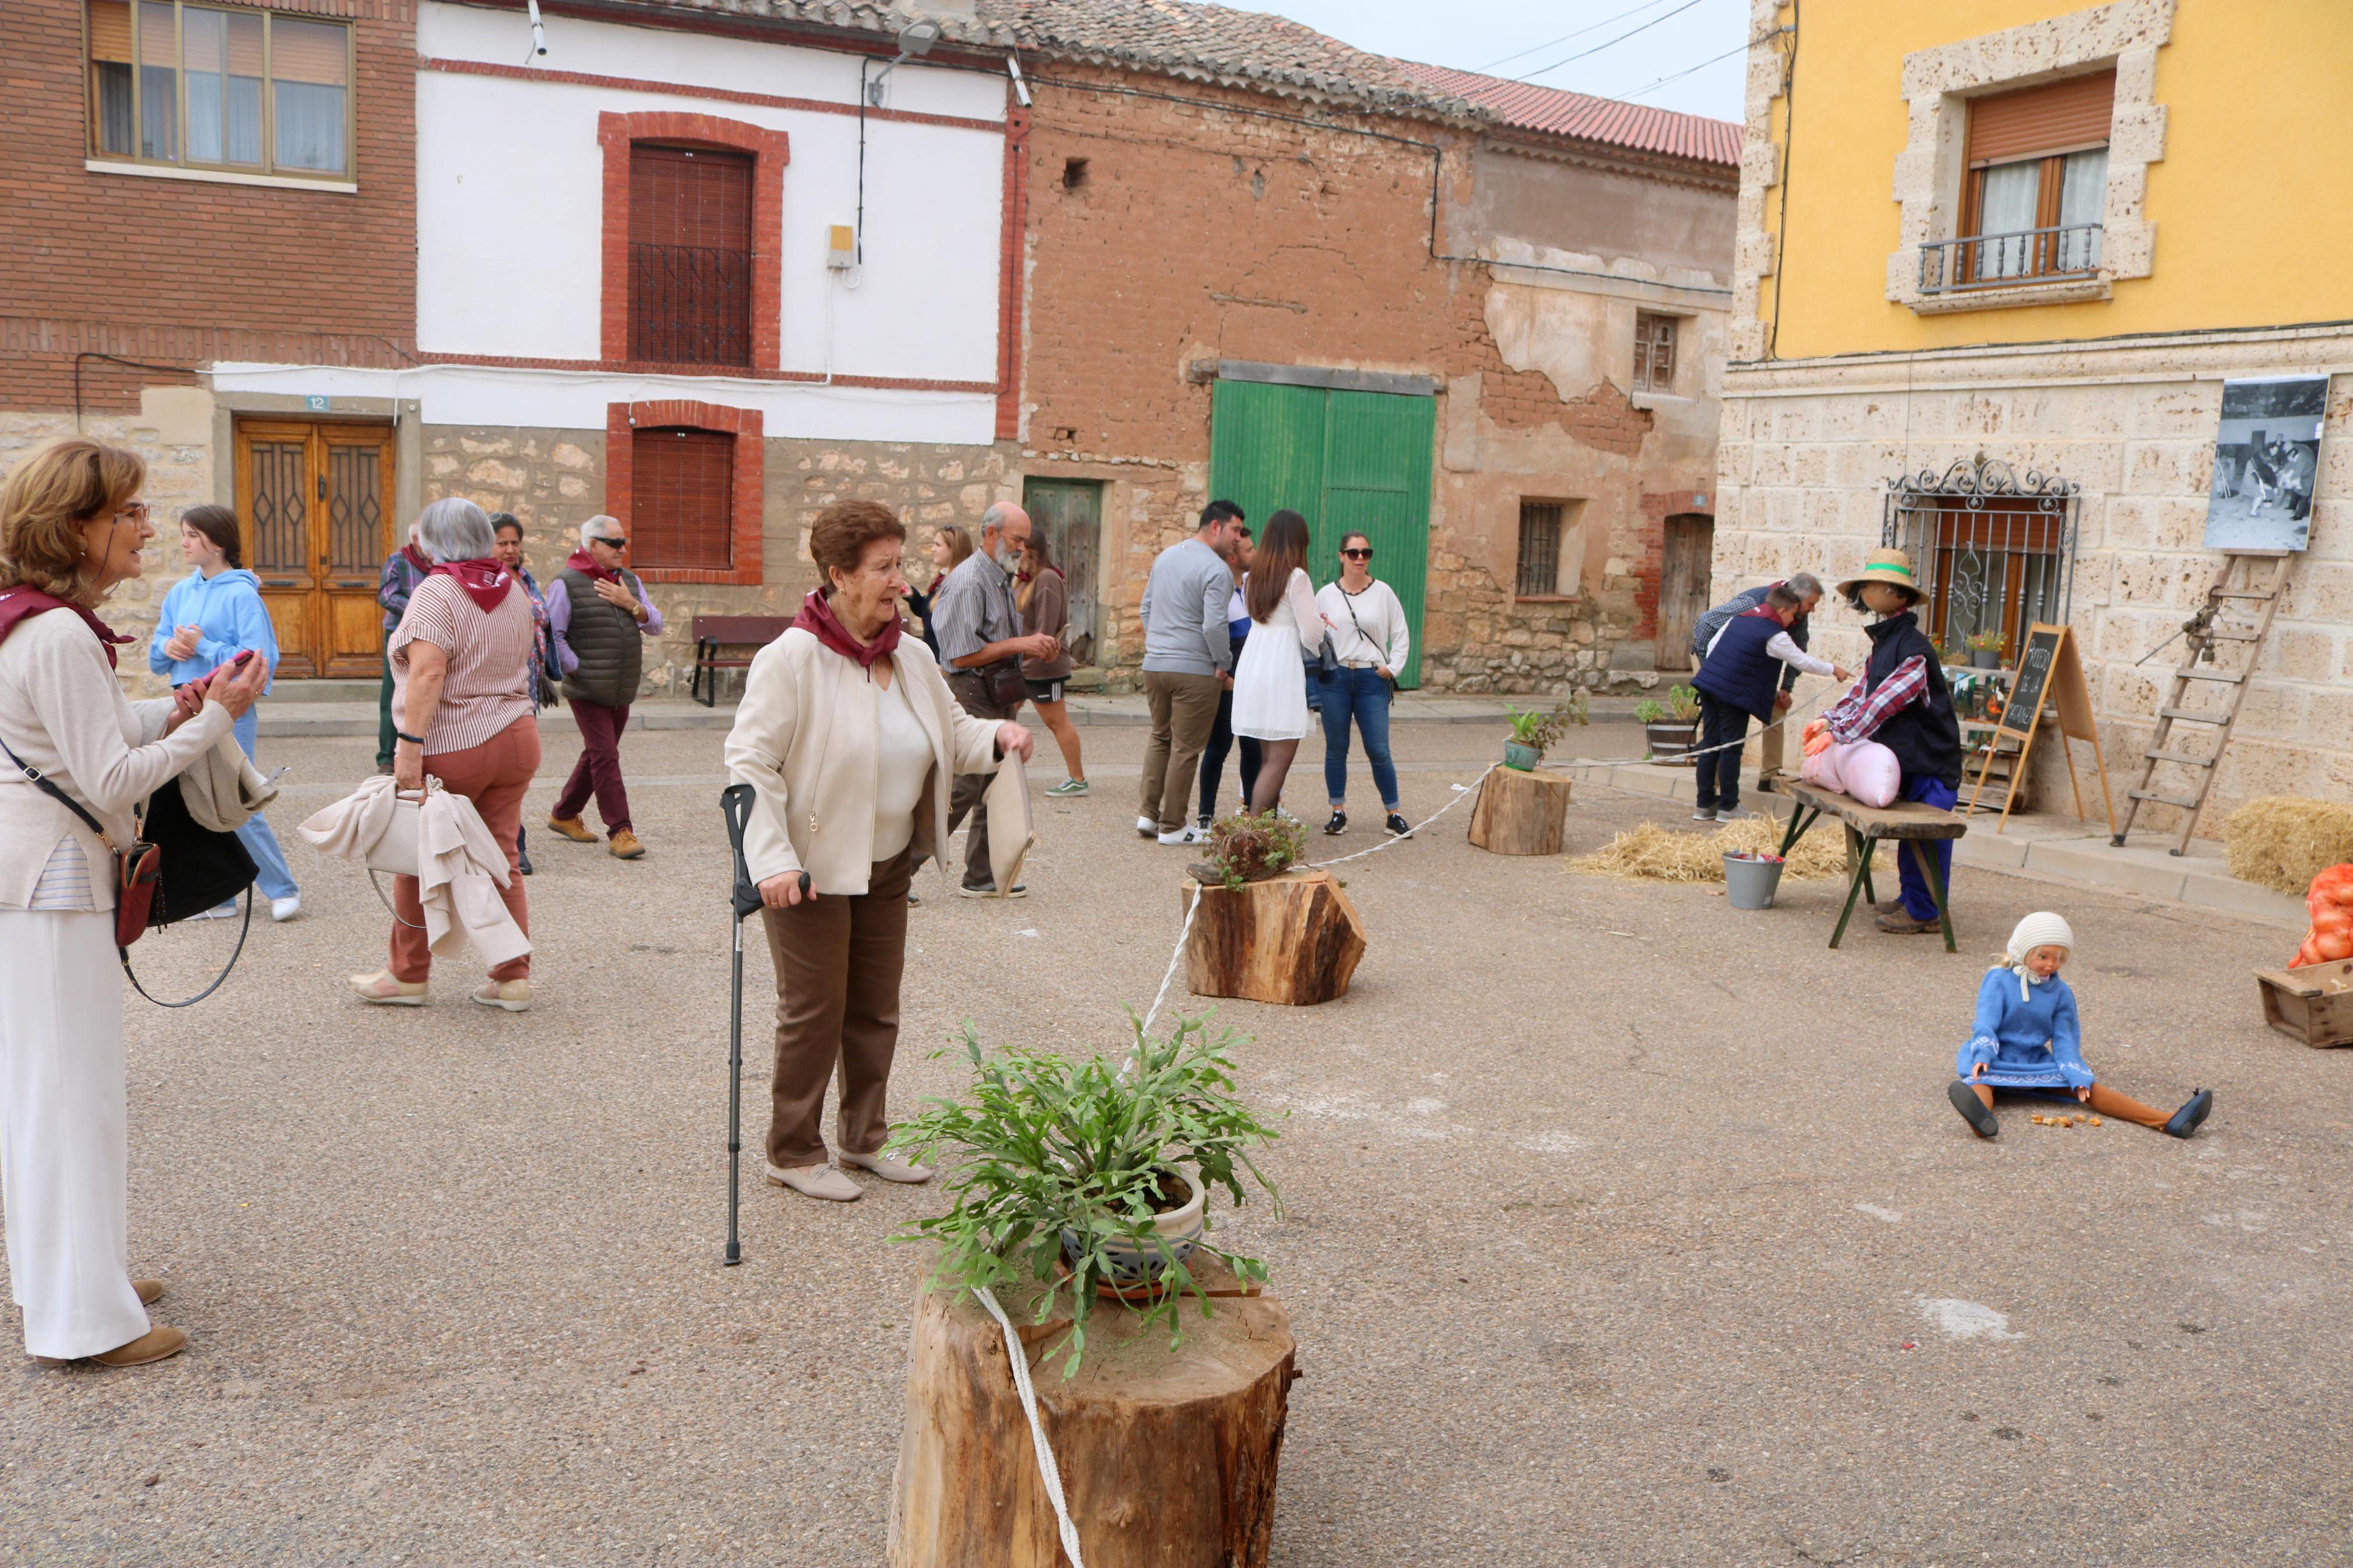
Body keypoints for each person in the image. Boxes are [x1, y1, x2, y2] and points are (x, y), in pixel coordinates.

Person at [1, 438, 270, 1368]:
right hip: (53, 879)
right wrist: (217, 721)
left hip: (29, 878)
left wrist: (186, 701)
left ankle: (70, 1278)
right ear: (74, 528)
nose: (148, 527)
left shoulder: (29, 622)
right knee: (72, 1095)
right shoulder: (63, 633)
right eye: (127, 513)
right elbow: (113, 775)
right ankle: (83, 1322)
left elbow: (102, 730)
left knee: (46, 1091)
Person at [723, 500, 1032, 1202]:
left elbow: (950, 732)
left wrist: (996, 739)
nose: (901, 581)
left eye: (902, 565)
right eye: (883, 568)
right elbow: (748, 764)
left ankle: (864, 1139)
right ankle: (793, 1150)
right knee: (814, 1010)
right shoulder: (793, 659)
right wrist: (770, 859)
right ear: (838, 575)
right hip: (808, 870)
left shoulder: (913, 653)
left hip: (891, 861)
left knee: (873, 1007)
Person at [350, 498, 541, 1011]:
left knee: (417, 857)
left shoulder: (437, 589)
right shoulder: (513, 586)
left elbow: (429, 672)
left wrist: (407, 749)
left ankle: (408, 974)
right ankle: (512, 977)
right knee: (503, 858)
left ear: (433, 540)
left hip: (456, 743)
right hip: (517, 735)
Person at [147, 504, 303, 920]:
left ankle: (283, 889)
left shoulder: (242, 594)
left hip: (229, 707)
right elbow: (155, 655)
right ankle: (221, 895)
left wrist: (202, 647)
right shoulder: (180, 592)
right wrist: (168, 648)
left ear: (217, 542)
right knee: (193, 799)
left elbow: (258, 657)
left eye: (193, 535)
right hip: (183, 705)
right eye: (184, 533)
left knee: (235, 796)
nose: (183, 542)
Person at [1947, 913, 2214, 1140]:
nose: (2051, 964)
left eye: (2060, 959)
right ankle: (1980, 1122)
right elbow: (1986, 1023)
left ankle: (2167, 1120)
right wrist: (1982, 1055)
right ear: (2023, 951)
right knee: (1982, 1082)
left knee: (2089, 1089)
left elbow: (2065, 1039)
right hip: (1996, 1058)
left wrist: (2076, 1075)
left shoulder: (2061, 992)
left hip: (2036, 1062)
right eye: (2043, 956)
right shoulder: (1998, 980)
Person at [1823, 549, 1965, 935]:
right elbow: (1860, 692)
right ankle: (1912, 899)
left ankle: (1925, 912)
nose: (1863, 591)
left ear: (1894, 593)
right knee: (1908, 836)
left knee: (1928, 840)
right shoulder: (1885, 642)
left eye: (1869, 585)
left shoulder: (1913, 649)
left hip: (1933, 760)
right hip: (1909, 758)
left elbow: (1881, 704)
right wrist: (1827, 720)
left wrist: (1839, 733)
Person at [930, 502, 1056, 895]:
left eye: (1024, 541)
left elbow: (993, 640)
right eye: (1016, 540)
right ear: (990, 535)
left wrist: (1025, 652)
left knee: (993, 780)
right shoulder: (969, 580)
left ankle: (980, 876)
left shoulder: (998, 575)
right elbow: (959, 655)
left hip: (995, 687)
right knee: (964, 785)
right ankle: (899, 869)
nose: (1022, 548)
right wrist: (1023, 642)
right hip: (969, 687)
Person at [545, 515, 662, 861]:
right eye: (614, 543)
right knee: (607, 756)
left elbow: (656, 625)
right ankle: (621, 831)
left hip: (620, 687)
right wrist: (579, 669)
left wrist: (632, 605)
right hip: (587, 689)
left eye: (623, 542)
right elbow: (554, 635)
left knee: (598, 754)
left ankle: (564, 814)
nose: (622, 549)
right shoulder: (566, 583)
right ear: (593, 545)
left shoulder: (629, 581)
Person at [1688, 582, 1850, 823]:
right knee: (1732, 747)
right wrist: (1834, 669)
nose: (1794, 621)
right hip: (1734, 693)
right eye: (1794, 614)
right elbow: (1802, 661)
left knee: (1712, 742)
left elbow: (1713, 647)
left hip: (1709, 685)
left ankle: (1704, 805)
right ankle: (1728, 807)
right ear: (1783, 611)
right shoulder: (1775, 634)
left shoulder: (1739, 619)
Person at [1135, 499, 1241, 845]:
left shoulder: (1165, 556)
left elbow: (1146, 608)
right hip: (1194, 670)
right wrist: (1223, 663)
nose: (1238, 539)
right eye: (1235, 530)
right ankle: (1174, 826)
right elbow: (1214, 625)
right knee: (1186, 747)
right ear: (1215, 527)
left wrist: (1161, 643)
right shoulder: (1217, 569)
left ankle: (1149, 816)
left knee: (1160, 738)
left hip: (1156, 665)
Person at [1231, 508, 1330, 815]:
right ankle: (1250, 836)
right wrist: (1320, 627)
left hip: (1254, 660)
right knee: (1279, 759)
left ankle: (1262, 837)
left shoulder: (1254, 575)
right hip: (1282, 665)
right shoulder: (1296, 576)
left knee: (1266, 755)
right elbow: (1311, 633)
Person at [1315, 531, 1412, 838]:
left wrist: (1392, 668)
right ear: (1341, 556)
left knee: (1379, 749)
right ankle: (1338, 812)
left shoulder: (1383, 592)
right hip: (1337, 678)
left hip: (1372, 679)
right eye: (1353, 553)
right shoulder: (1325, 594)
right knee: (1336, 748)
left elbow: (1401, 633)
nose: (1360, 558)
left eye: (1365, 553)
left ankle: (1393, 814)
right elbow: (1313, 634)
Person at [1691, 572, 1824, 780]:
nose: (1813, 609)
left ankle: (1770, 776)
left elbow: (1799, 651)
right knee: (1719, 729)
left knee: (1776, 709)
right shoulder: (1755, 600)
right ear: (1794, 599)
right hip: (1718, 664)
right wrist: (1711, 669)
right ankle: (1715, 786)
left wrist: (1786, 688)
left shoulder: (1799, 614)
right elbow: (1706, 623)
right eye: (1811, 604)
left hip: (1756, 668)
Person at [491, 513, 560, 876]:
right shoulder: (487, 582)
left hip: (527, 690)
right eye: (502, 542)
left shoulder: (526, 580)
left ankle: (509, 843)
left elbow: (542, 627)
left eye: (515, 543)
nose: (510, 549)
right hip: (496, 691)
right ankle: (513, 845)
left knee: (518, 771)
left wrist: (548, 672)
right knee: (503, 772)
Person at [1195, 522, 1261, 829]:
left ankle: (1250, 810)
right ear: (1233, 557)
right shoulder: (1220, 590)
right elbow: (1209, 635)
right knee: (1218, 748)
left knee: (1253, 748)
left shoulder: (1253, 586)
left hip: (1252, 682)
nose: (1255, 553)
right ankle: (1205, 814)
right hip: (1228, 682)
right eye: (1249, 549)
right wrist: (1224, 679)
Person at [1017, 528, 1087, 797]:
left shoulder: (1047, 579)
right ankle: (998, 771)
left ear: (1030, 549)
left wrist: (1035, 651)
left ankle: (1078, 779)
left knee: (1056, 721)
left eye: (1018, 545)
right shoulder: (1026, 580)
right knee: (1004, 714)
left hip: (1044, 666)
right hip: (1023, 664)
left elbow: (1045, 630)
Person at [375, 522, 432, 774]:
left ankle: (425, 749)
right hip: (398, 633)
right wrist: (419, 610)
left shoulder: (438, 562)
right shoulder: (397, 560)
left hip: (429, 635)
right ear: (414, 540)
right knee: (392, 693)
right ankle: (386, 757)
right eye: (423, 539)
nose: (428, 544)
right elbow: (387, 596)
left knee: (424, 690)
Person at [904, 524, 972, 658]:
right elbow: (929, 613)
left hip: (946, 664)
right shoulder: (943, 579)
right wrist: (912, 595)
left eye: (938, 545)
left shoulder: (961, 584)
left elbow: (959, 633)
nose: (933, 549)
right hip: (934, 659)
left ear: (954, 549)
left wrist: (945, 665)